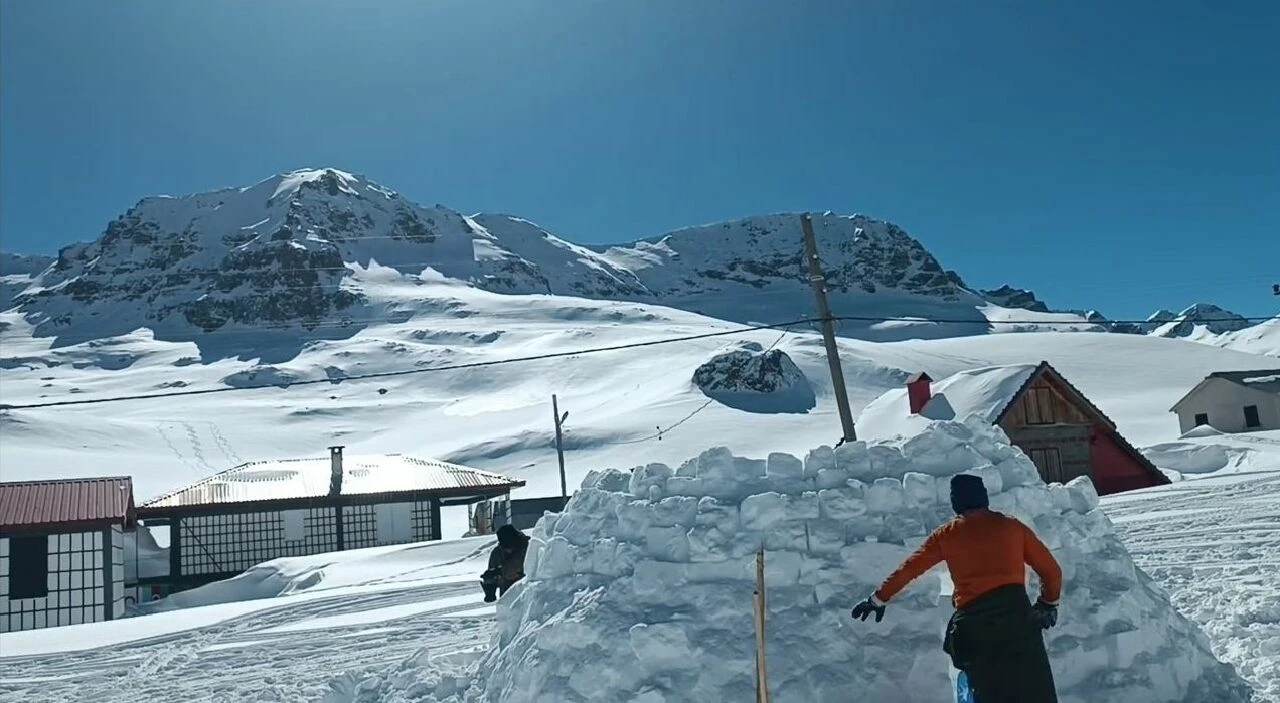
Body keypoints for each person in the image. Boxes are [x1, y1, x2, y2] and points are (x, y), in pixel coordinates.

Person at [850, 474, 1062, 703]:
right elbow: (1052, 571)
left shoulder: (947, 535)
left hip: (976, 631)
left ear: (955, 502)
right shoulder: (1012, 527)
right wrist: (1047, 603)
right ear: (984, 498)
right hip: (1018, 624)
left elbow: (909, 569)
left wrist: (878, 599)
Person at [481, 524, 530, 603]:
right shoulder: (497, 553)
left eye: (510, 546)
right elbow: (493, 572)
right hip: (506, 596)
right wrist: (490, 585)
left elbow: (520, 569)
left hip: (525, 594)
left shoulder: (528, 548)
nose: (508, 550)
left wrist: (500, 571)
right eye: (505, 547)